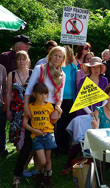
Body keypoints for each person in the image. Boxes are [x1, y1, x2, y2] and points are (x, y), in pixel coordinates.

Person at [13, 46, 66, 187]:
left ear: (63, 60)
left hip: (51, 112)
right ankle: (17, 174)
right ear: (50, 56)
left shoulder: (63, 74)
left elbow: (60, 96)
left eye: (60, 56)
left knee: (47, 143)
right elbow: (29, 89)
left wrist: (58, 108)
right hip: (35, 108)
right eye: (55, 55)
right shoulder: (40, 68)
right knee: (28, 145)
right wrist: (25, 106)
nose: (57, 58)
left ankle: (42, 176)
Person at [23, 82, 62, 187]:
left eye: (45, 94)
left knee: (48, 160)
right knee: (43, 161)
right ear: (34, 94)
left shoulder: (49, 106)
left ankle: (47, 181)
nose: (43, 96)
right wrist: (34, 130)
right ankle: (39, 175)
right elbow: (25, 124)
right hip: (37, 137)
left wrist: (59, 114)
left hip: (48, 135)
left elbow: (53, 121)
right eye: (40, 94)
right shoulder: (31, 107)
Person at [7, 51, 32, 152]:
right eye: (19, 59)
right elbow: (9, 94)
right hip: (16, 108)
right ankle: (19, 153)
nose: (21, 61)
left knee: (29, 131)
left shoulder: (32, 73)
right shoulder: (11, 74)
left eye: (23, 59)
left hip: (29, 108)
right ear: (16, 61)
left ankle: (29, 154)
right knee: (17, 132)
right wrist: (8, 110)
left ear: (27, 60)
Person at [56, 45, 78, 154]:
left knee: (68, 124)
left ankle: (66, 146)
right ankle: (57, 147)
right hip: (60, 100)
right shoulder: (58, 67)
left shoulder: (74, 68)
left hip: (71, 100)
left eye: (69, 53)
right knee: (59, 124)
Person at [0, 64, 7, 158]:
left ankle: (2, 149)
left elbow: (5, 88)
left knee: (1, 128)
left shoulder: (2, 68)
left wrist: (6, 104)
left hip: (0, 104)